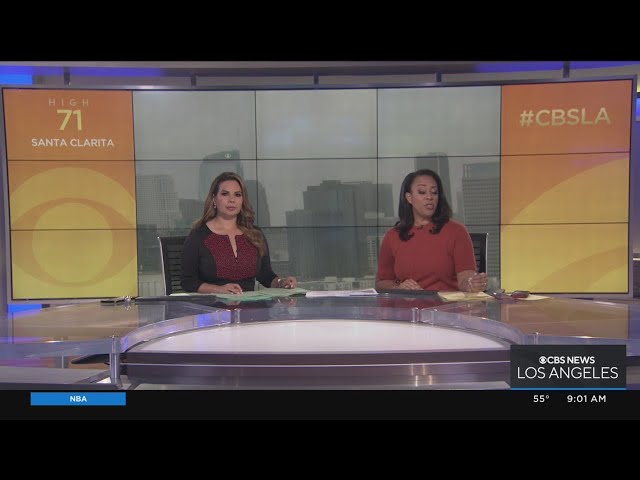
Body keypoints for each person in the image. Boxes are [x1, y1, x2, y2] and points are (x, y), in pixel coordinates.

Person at [181, 171, 297, 294]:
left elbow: (266, 275)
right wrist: (219, 290)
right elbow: (188, 281)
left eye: (237, 195)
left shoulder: (255, 234)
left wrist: (281, 282)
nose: (232, 200)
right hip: (214, 304)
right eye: (225, 194)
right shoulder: (198, 235)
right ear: (214, 199)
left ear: (242, 200)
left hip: (251, 304)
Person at [375, 169, 488, 293]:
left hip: (445, 304)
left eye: (434, 192)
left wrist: (472, 284)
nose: (430, 197)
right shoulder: (392, 236)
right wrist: (399, 289)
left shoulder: (456, 231)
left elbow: (465, 279)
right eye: (422, 192)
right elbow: (382, 283)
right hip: (406, 304)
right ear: (409, 198)